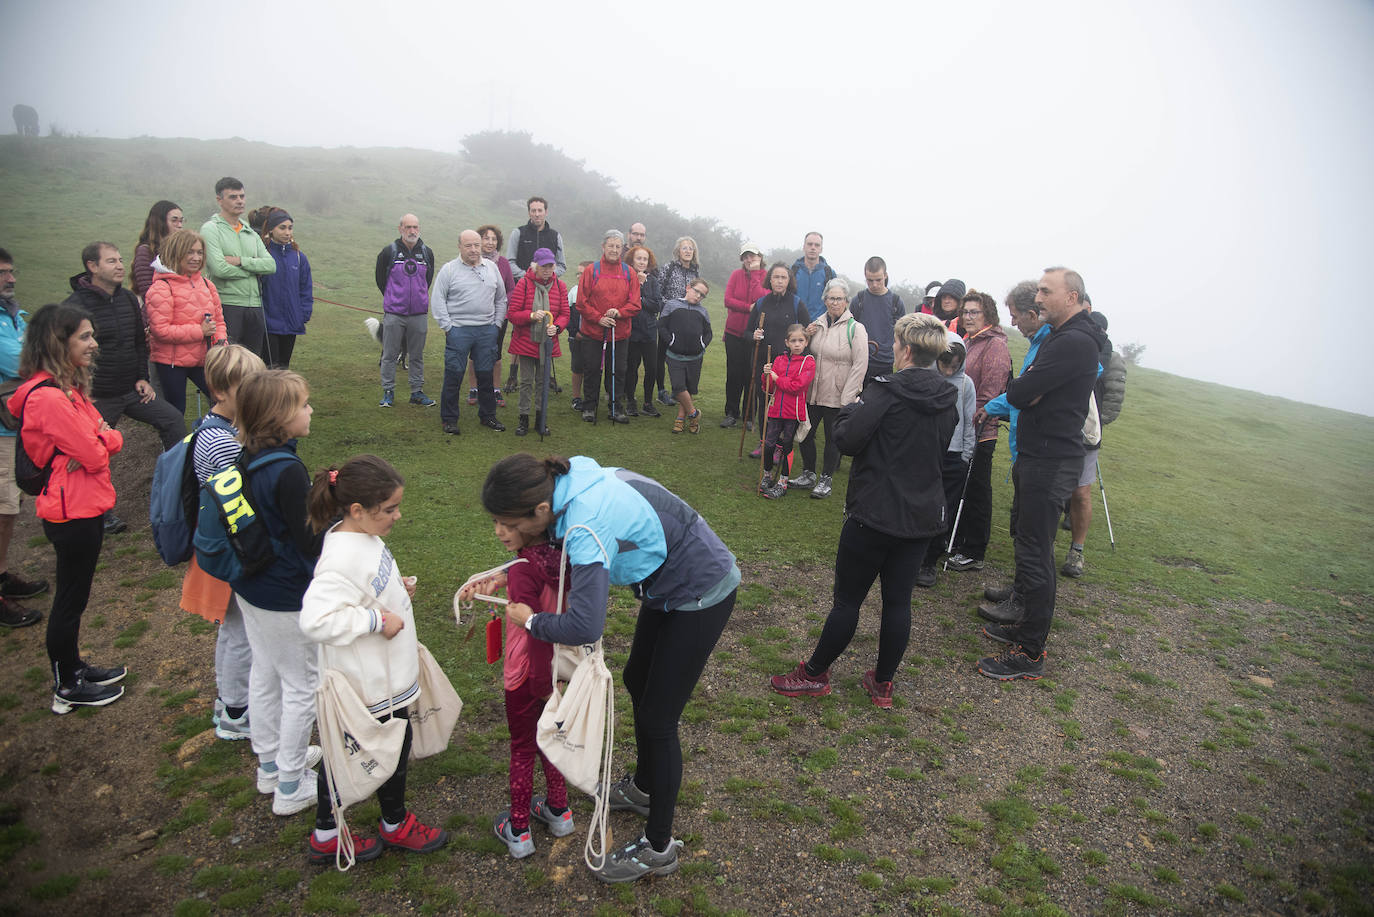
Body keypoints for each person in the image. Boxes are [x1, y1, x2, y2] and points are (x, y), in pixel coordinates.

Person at [477, 452, 739, 883]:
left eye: (510, 524)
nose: (504, 533)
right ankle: (643, 788)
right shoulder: (560, 487)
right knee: (638, 679)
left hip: (701, 586)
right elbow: (551, 557)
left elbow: (584, 625)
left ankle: (659, 847)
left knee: (659, 719)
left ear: (540, 510)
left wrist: (528, 620)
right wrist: (508, 574)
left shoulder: (584, 524)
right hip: (667, 581)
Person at [770, 313, 957, 707]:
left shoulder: (885, 391)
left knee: (849, 600)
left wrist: (854, 410)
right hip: (920, 516)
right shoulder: (946, 397)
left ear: (905, 350)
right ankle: (883, 683)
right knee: (898, 602)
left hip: (875, 512)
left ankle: (815, 673)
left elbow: (848, 440)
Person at [300, 455, 450, 864]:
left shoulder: (362, 538)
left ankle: (391, 821)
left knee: (393, 751)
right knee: (353, 755)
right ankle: (330, 833)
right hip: (370, 687)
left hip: (390, 678)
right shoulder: (338, 558)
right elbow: (315, 619)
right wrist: (374, 618)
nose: (398, 516)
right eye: (389, 509)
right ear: (357, 511)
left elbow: (365, 586)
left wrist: (393, 591)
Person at [976, 267, 1103, 680]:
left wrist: (1026, 390)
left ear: (1072, 296)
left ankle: (1030, 652)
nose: (1039, 299)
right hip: (1040, 453)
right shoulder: (1064, 338)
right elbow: (1025, 391)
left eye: (1047, 292)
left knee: (1035, 553)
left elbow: (1021, 391)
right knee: (1030, 546)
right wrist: (1027, 390)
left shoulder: (1074, 342)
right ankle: (1024, 626)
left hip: (1050, 460)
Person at [9, 303, 127, 712]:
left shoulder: (68, 391)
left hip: (84, 503)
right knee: (70, 599)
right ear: (58, 343)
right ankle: (67, 685)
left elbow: (110, 439)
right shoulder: (50, 399)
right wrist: (97, 441)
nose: (94, 344)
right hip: (70, 510)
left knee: (76, 596)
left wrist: (101, 438)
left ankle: (74, 666)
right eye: (84, 337)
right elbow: (94, 454)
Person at [231, 370, 325, 814]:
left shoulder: (245, 455)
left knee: (265, 671)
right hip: (284, 590)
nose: (310, 411)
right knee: (303, 683)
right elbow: (307, 538)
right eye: (303, 405)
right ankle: (290, 784)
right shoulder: (287, 470)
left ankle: (269, 762)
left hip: (250, 583)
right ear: (280, 417)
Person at [472, 475, 573, 860]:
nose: (500, 532)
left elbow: (532, 628)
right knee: (552, 738)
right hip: (559, 670)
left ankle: (518, 830)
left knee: (522, 748)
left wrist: (535, 682)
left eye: (509, 524)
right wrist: (497, 578)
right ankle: (559, 811)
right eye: (495, 522)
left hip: (527, 674)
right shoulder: (563, 553)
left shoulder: (521, 569)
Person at [63, 242, 184, 533]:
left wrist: (142, 377)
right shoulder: (74, 306)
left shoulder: (129, 299)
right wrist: (79, 392)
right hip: (97, 395)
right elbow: (66, 353)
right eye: (111, 261)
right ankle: (100, 512)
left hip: (131, 389)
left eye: (120, 260)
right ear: (92, 267)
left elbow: (139, 343)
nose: (120, 266)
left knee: (173, 421)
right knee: (94, 451)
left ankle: (178, 489)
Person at [180, 345, 267, 741]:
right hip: (233, 550)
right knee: (240, 631)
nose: (253, 395)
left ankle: (229, 700)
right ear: (220, 391)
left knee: (235, 629)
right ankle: (235, 711)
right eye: (244, 388)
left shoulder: (222, 430)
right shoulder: (220, 443)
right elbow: (247, 497)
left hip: (230, 545)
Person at [977, 282, 1048, 623]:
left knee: (1032, 535)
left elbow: (1026, 391)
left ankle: (1023, 604)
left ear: (1033, 315)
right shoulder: (1038, 342)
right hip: (1024, 449)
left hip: (1041, 453)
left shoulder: (1051, 344)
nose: (1013, 323)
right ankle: (1019, 590)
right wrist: (995, 406)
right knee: (1020, 526)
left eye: (1017, 316)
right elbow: (1021, 392)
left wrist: (991, 404)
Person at [0, 248, 49, 628]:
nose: (11, 278)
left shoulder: (15, 315)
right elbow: (24, 360)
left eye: (11, 271)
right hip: (2, 426)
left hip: (14, 423)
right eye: (2, 273)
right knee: (3, 507)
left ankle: (2, 575)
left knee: (10, 507)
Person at [946, 291, 1011, 573]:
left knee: (977, 489)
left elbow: (991, 390)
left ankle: (974, 550)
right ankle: (959, 540)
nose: (968, 317)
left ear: (989, 316)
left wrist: (975, 422)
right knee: (963, 486)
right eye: (966, 312)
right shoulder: (970, 341)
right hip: (959, 426)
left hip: (980, 430)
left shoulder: (995, 344)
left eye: (975, 312)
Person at [791, 279, 868, 499]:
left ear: (846, 301)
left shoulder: (856, 329)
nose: (835, 302)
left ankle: (826, 478)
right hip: (813, 390)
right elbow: (804, 352)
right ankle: (808, 473)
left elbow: (860, 365)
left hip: (838, 393)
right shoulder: (818, 324)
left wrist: (848, 396)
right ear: (824, 300)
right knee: (805, 432)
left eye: (839, 298)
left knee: (832, 438)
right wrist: (807, 334)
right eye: (831, 298)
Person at [431, 230, 509, 435]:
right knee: (453, 375)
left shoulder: (491, 268)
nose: (474, 249)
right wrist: (448, 327)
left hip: (486, 331)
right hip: (459, 330)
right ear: (459, 247)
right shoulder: (449, 270)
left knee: (486, 376)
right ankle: (449, 419)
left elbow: (501, 299)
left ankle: (488, 416)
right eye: (469, 245)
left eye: (476, 245)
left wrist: (497, 325)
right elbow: (438, 300)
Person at [144, 229, 229, 415]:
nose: (196, 257)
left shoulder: (207, 285)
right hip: (172, 362)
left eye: (199, 252)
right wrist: (200, 331)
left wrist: (222, 342)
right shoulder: (161, 287)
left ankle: (215, 441)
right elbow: (160, 330)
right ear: (176, 252)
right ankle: (174, 445)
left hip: (203, 358)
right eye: (190, 252)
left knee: (225, 400)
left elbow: (219, 321)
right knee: (176, 411)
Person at [916, 331, 976, 587]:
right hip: (928, 452)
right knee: (919, 503)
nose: (950, 371)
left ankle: (930, 560)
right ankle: (911, 554)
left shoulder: (966, 385)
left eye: (955, 366)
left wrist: (966, 455)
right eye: (945, 365)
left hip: (953, 457)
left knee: (944, 509)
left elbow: (970, 420)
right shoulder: (928, 378)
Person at [1061, 304, 1115, 579]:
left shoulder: (1102, 350)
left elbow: (1108, 386)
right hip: (1060, 428)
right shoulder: (1061, 338)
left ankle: (1076, 551)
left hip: (1087, 431)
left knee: (1081, 492)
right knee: (1056, 491)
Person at [200, 178, 276, 360]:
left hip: (255, 306)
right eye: (233, 197)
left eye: (242, 196)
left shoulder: (249, 231)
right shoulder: (211, 229)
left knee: (252, 362)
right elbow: (219, 269)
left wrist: (240, 261)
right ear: (220, 200)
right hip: (228, 304)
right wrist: (252, 270)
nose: (240, 200)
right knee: (228, 363)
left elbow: (271, 265)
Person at [574, 231, 640, 424]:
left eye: (618, 246)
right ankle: (589, 406)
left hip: (619, 334)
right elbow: (581, 302)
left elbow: (635, 303)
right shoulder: (591, 270)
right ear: (603, 247)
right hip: (593, 332)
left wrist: (619, 313)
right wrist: (598, 318)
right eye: (611, 246)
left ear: (622, 249)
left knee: (619, 370)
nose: (614, 250)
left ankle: (615, 407)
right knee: (592, 369)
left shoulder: (629, 273)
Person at [745, 264, 810, 457]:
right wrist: (753, 335)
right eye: (776, 277)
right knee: (764, 402)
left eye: (784, 277)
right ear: (770, 280)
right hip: (763, 363)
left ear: (789, 280)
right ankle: (764, 443)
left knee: (784, 407)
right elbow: (747, 332)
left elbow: (807, 334)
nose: (780, 281)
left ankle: (779, 447)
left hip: (788, 366)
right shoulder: (761, 303)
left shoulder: (797, 304)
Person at [505, 248, 568, 437]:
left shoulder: (560, 286)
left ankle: (541, 419)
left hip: (546, 343)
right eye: (543, 266)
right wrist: (531, 316)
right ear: (535, 266)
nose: (547, 270)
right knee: (525, 382)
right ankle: (523, 419)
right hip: (526, 342)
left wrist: (556, 327)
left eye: (550, 266)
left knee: (542, 382)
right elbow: (512, 314)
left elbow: (565, 313)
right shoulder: (524, 283)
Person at [376, 215, 436, 408]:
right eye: (408, 227)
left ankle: (416, 392)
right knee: (389, 355)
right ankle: (388, 392)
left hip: (418, 314)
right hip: (394, 313)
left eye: (415, 227)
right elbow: (381, 280)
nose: (412, 231)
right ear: (400, 228)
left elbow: (427, 280)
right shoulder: (388, 252)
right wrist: (394, 298)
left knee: (417, 355)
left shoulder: (427, 252)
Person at [758, 325, 815, 499]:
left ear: (806, 342)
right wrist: (766, 375)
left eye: (801, 341)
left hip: (793, 413)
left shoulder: (809, 362)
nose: (797, 344)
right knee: (768, 445)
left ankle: (782, 482)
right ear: (787, 342)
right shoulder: (779, 360)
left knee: (787, 446)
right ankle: (767, 476)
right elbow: (768, 388)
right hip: (776, 410)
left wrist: (776, 377)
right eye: (793, 341)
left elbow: (796, 387)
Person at [256, 209, 312, 370]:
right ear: (271, 229)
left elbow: (305, 288)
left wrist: (304, 313)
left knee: (284, 366)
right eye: (282, 228)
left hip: (292, 321)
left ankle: (282, 396)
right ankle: (267, 396)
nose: (287, 232)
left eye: (290, 228)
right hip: (269, 321)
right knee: (270, 367)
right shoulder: (263, 254)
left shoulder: (299, 257)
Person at [721, 243, 766, 428]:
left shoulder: (765, 277)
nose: (749, 259)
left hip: (755, 335)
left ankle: (749, 415)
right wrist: (747, 307)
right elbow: (727, 300)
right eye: (746, 256)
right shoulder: (736, 275)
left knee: (752, 375)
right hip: (733, 333)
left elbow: (762, 299)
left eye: (753, 255)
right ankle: (731, 412)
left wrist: (755, 275)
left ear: (760, 257)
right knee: (734, 374)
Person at [660, 279, 713, 435]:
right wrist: (671, 341)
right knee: (678, 387)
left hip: (695, 357)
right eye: (696, 291)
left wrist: (702, 345)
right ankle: (694, 414)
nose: (698, 296)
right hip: (674, 355)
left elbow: (709, 333)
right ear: (688, 287)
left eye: (702, 295)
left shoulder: (702, 312)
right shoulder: (671, 305)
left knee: (689, 388)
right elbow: (661, 326)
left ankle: (681, 418)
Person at [654, 237, 700, 406]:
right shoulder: (669, 267)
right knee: (662, 356)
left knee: (681, 357)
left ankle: (677, 391)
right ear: (678, 251)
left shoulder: (696, 272)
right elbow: (658, 292)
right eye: (684, 248)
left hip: (687, 322)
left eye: (691, 248)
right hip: (668, 319)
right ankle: (660, 391)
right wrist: (671, 307)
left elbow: (698, 295)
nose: (688, 251)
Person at [474, 224, 516, 408]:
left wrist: (499, 302)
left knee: (496, 354)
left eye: (493, 239)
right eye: (486, 238)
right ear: (479, 240)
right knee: (474, 353)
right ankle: (474, 389)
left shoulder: (504, 263)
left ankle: (496, 390)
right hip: (475, 315)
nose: (490, 242)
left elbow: (511, 289)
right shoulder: (472, 260)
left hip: (499, 315)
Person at [849, 256, 905, 384]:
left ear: (885, 275)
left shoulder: (896, 302)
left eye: (878, 280)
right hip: (861, 362)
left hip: (886, 363)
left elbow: (902, 337)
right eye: (870, 280)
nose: (874, 284)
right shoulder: (858, 300)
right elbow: (849, 330)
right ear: (865, 276)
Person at [623, 245, 662, 418]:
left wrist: (640, 299)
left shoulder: (653, 280)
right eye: (638, 258)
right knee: (631, 368)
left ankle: (648, 402)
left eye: (645, 259)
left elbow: (657, 305)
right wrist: (638, 286)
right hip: (631, 331)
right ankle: (631, 401)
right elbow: (626, 302)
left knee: (652, 368)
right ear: (632, 260)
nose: (642, 262)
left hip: (649, 331)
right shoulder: (626, 278)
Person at [131, 200, 184, 298]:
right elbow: (148, 292)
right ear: (160, 223)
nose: (179, 225)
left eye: (181, 221)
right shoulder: (145, 252)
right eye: (174, 220)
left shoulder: (180, 251)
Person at [507, 196, 566, 281]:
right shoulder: (518, 233)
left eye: (540, 210)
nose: (537, 214)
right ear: (529, 213)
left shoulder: (556, 236)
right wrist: (527, 276)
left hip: (547, 289)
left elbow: (561, 266)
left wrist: (547, 276)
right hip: (522, 287)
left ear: (546, 212)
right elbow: (510, 262)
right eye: (533, 211)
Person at [790, 232, 836, 328]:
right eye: (810, 244)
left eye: (817, 245)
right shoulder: (792, 271)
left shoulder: (829, 273)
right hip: (795, 328)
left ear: (821, 249)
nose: (813, 247)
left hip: (820, 327)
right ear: (804, 247)